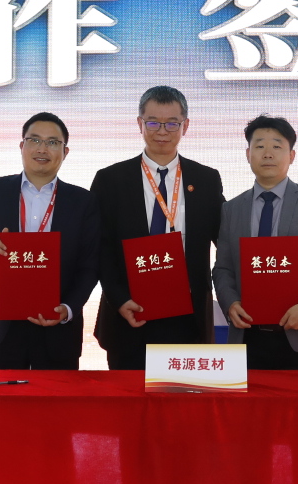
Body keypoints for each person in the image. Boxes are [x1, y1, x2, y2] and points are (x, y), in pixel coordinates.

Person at [89, 85, 225, 370]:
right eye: (153, 122)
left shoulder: (206, 179)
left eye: (172, 123)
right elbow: (99, 248)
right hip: (129, 314)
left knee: (182, 397)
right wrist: (119, 299)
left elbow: (226, 239)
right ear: (140, 124)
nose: (162, 131)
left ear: (185, 126)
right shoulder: (110, 180)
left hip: (188, 318)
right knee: (129, 398)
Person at [0, 113, 101, 370]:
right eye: (34, 140)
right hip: (1, 325)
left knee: (56, 397)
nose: (42, 148)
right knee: (3, 396)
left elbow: (90, 265)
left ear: (65, 152)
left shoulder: (83, 201)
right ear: (22, 146)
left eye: (52, 142)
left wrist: (68, 308)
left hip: (57, 325)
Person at [211, 114, 298, 371]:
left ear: (292, 155)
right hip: (247, 335)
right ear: (248, 154)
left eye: (277, 146)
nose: (267, 154)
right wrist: (230, 303)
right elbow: (223, 268)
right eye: (259, 146)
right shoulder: (231, 209)